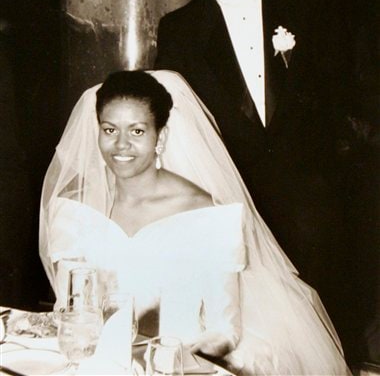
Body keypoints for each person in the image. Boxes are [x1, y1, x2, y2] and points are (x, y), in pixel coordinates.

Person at [40, 70, 350, 375]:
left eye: (137, 131)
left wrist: (160, 363)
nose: (121, 145)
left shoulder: (204, 214)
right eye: (109, 130)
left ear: (160, 137)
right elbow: (70, 311)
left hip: (180, 365)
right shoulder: (75, 210)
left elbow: (225, 331)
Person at [155, 0, 348, 304]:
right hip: (230, 201)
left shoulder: (309, 1)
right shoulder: (179, 29)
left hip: (311, 199)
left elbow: (344, 89)